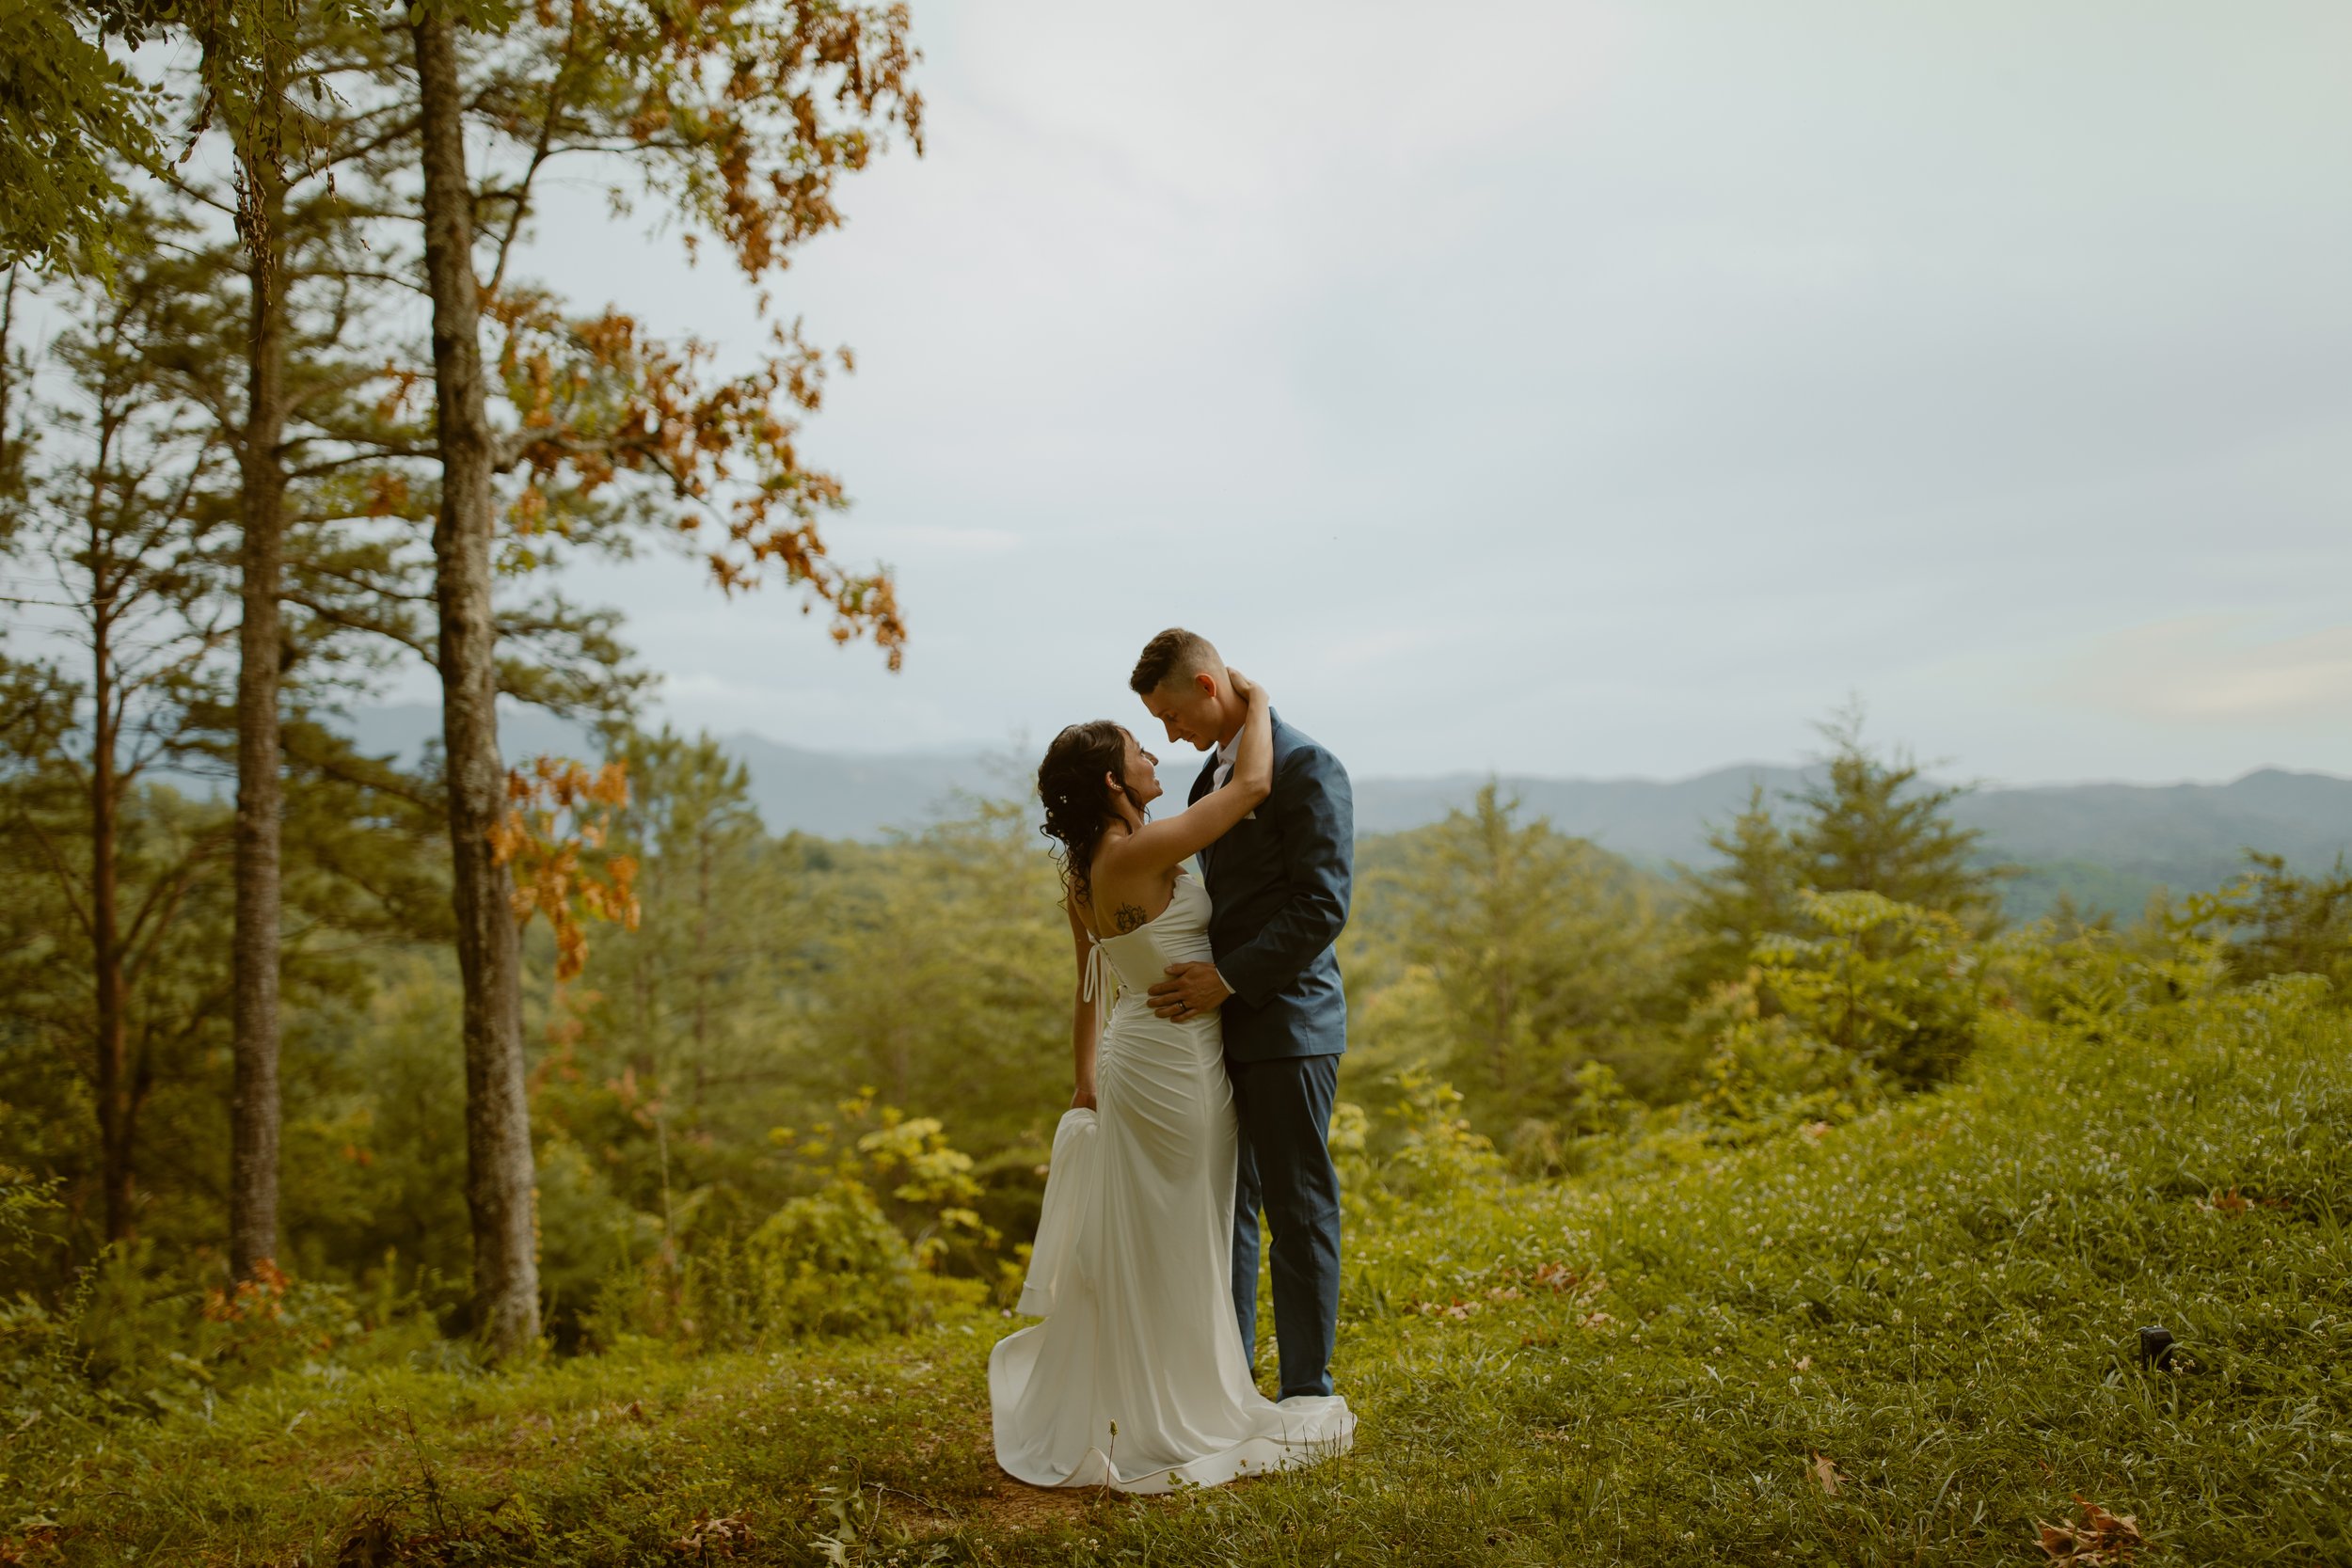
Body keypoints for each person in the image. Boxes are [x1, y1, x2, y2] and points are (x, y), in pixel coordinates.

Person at [990, 664, 1355, 1493]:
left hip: (1133, 1055)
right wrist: (1258, 701)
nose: (1158, 752)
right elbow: (1253, 784)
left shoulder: (1085, 872)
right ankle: (1188, 1399)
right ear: (1112, 782)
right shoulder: (1144, 848)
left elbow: (1089, 986)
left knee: (1170, 1231)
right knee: (1195, 1227)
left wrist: (1086, 1080)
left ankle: (1176, 1383)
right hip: (1179, 1064)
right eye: (1139, 746)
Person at [1132, 628, 1353, 1403]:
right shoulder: (1209, 780)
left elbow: (1322, 904)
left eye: (1171, 715)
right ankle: (1230, 1385)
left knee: (1300, 1207)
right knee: (1230, 1210)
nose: (1170, 735)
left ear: (1206, 685)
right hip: (1216, 1031)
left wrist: (1227, 979)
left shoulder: (1306, 764)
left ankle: (1306, 1390)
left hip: (1290, 1025)